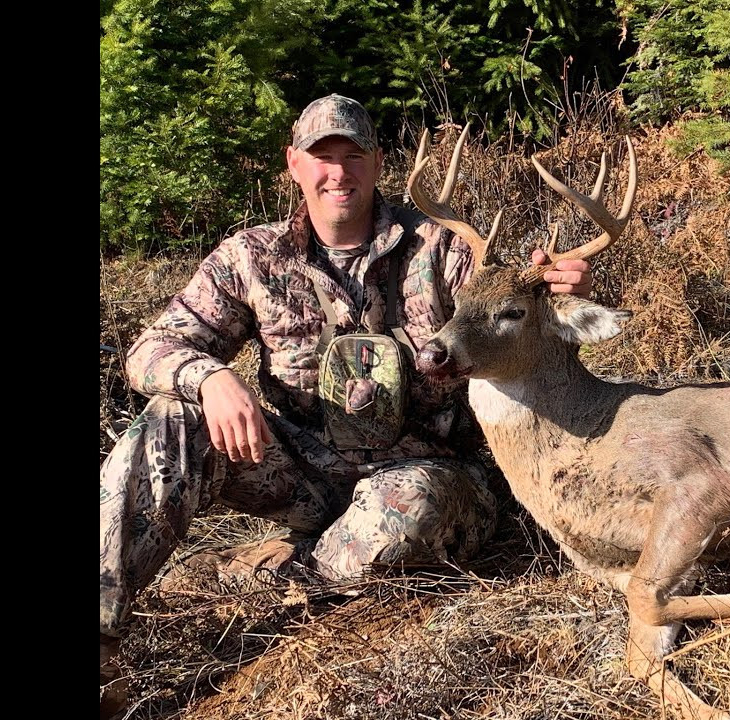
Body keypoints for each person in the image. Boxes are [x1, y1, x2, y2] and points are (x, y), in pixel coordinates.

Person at [99, 94, 593, 716]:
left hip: (426, 473)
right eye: (322, 157)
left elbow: (505, 309)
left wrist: (548, 288)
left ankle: (295, 577)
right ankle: (100, 633)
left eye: (353, 156)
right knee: (166, 424)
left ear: (378, 163)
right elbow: (153, 349)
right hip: (298, 470)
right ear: (294, 165)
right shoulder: (251, 256)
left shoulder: (441, 249)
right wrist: (211, 379)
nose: (339, 172)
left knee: (410, 506)